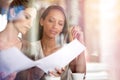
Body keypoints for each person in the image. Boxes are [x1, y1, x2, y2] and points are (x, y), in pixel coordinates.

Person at [15, 5, 86, 80]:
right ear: (42, 21)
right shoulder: (30, 48)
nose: (55, 26)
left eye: (60, 24)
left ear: (62, 28)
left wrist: (81, 45)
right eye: (51, 21)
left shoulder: (66, 51)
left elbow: (80, 76)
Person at [0, 0, 37, 79]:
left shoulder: (29, 49)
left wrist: (51, 72)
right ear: (13, 13)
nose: (30, 25)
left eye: (33, 20)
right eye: (27, 17)